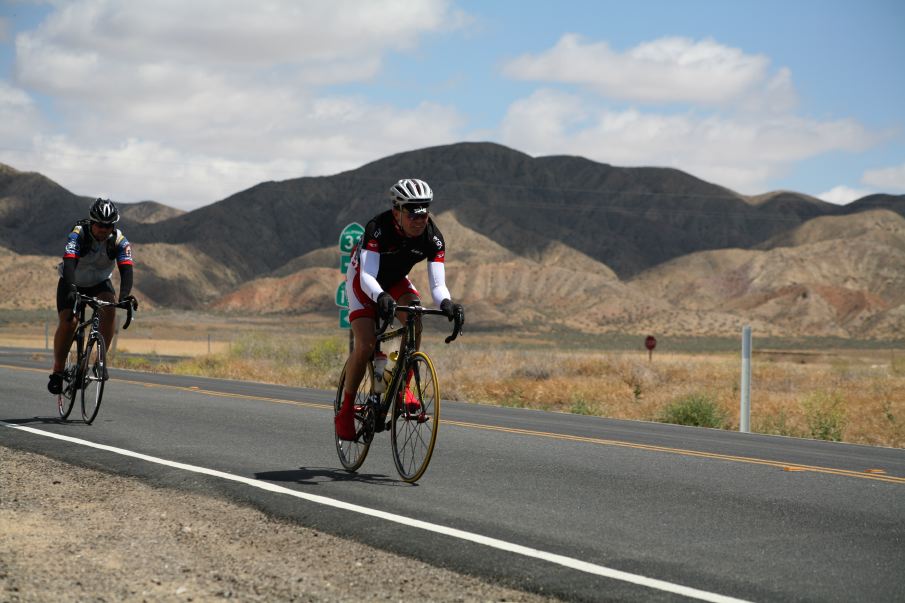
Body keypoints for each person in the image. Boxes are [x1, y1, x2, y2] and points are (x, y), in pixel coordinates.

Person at [335, 178, 465, 440]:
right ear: (397, 212)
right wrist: (380, 296)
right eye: (412, 211)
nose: (420, 218)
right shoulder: (378, 228)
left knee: (415, 316)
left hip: (394, 282)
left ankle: (404, 390)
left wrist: (447, 303)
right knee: (366, 344)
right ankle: (346, 410)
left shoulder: (433, 237)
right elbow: (368, 276)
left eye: (424, 211)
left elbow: (438, 285)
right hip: (364, 281)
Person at [47, 198, 138, 394]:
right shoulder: (78, 235)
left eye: (108, 225)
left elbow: (127, 270)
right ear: (91, 222)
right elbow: (69, 262)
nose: (103, 229)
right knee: (69, 322)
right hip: (71, 281)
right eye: (99, 224)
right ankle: (57, 371)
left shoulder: (119, 241)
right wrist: (72, 288)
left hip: (99, 283)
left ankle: (99, 361)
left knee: (110, 308)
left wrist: (125, 296)